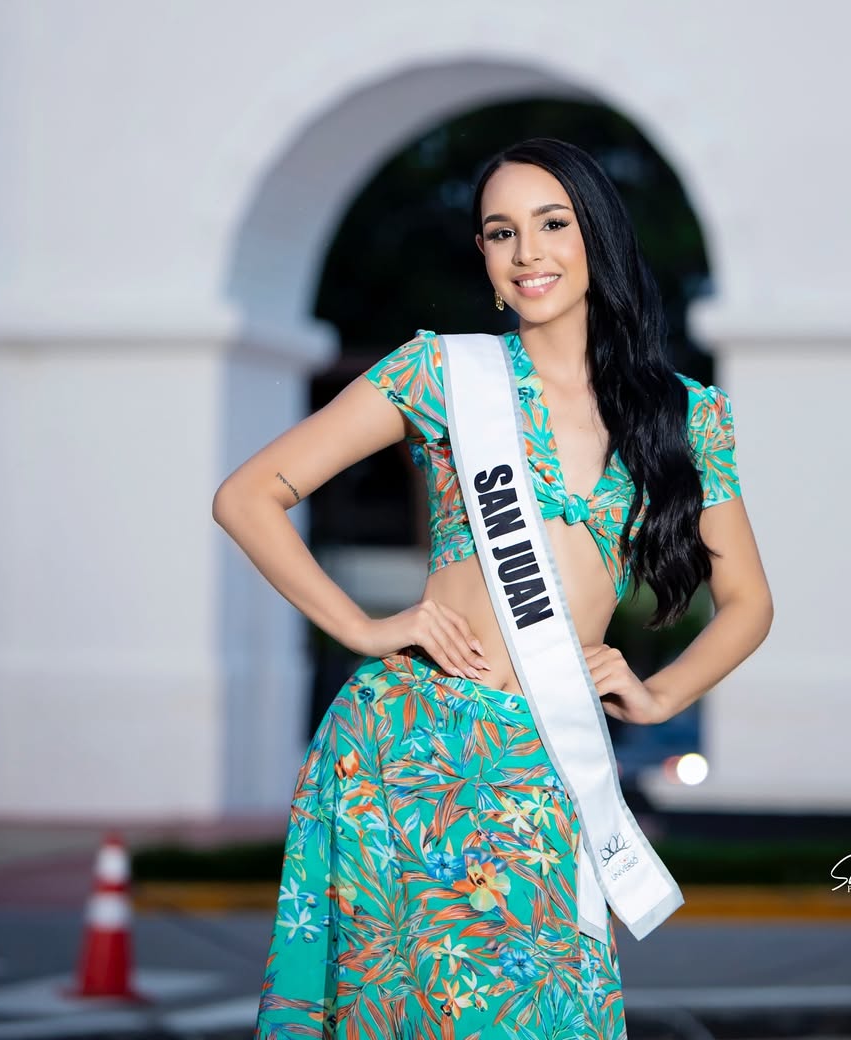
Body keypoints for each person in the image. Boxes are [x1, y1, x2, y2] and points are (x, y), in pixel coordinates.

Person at [212, 136, 773, 1040]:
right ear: (484, 258)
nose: (528, 253)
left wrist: (660, 689)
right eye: (500, 232)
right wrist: (360, 627)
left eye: (552, 224)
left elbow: (748, 601)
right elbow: (249, 496)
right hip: (406, 753)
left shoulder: (685, 415)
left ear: (597, 236)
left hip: (547, 762)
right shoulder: (441, 373)